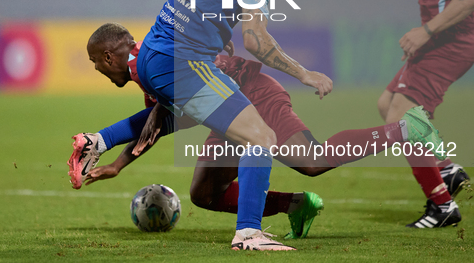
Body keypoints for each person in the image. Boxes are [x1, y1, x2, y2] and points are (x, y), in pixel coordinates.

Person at [70, 0, 442, 251]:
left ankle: (401, 132)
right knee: (263, 140)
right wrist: (303, 73)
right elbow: (256, 41)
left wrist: (201, 26)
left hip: (155, 51)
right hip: (191, 64)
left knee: (206, 190)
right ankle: (248, 234)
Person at [70, 22, 445, 241]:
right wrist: (119, 163)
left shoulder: (153, 63)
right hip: (226, 112)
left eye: (93, 63)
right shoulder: (148, 64)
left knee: (311, 161)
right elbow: (162, 119)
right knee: (205, 193)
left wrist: (106, 144)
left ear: (107, 57)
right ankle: (295, 204)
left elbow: (166, 117)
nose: (96, 70)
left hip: (253, 95)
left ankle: (407, 127)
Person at [377, 0, 474, 228]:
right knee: (387, 103)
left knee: (400, 117)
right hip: (441, 41)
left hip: (452, 42)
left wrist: (425, 31)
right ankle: (446, 170)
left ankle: (442, 206)